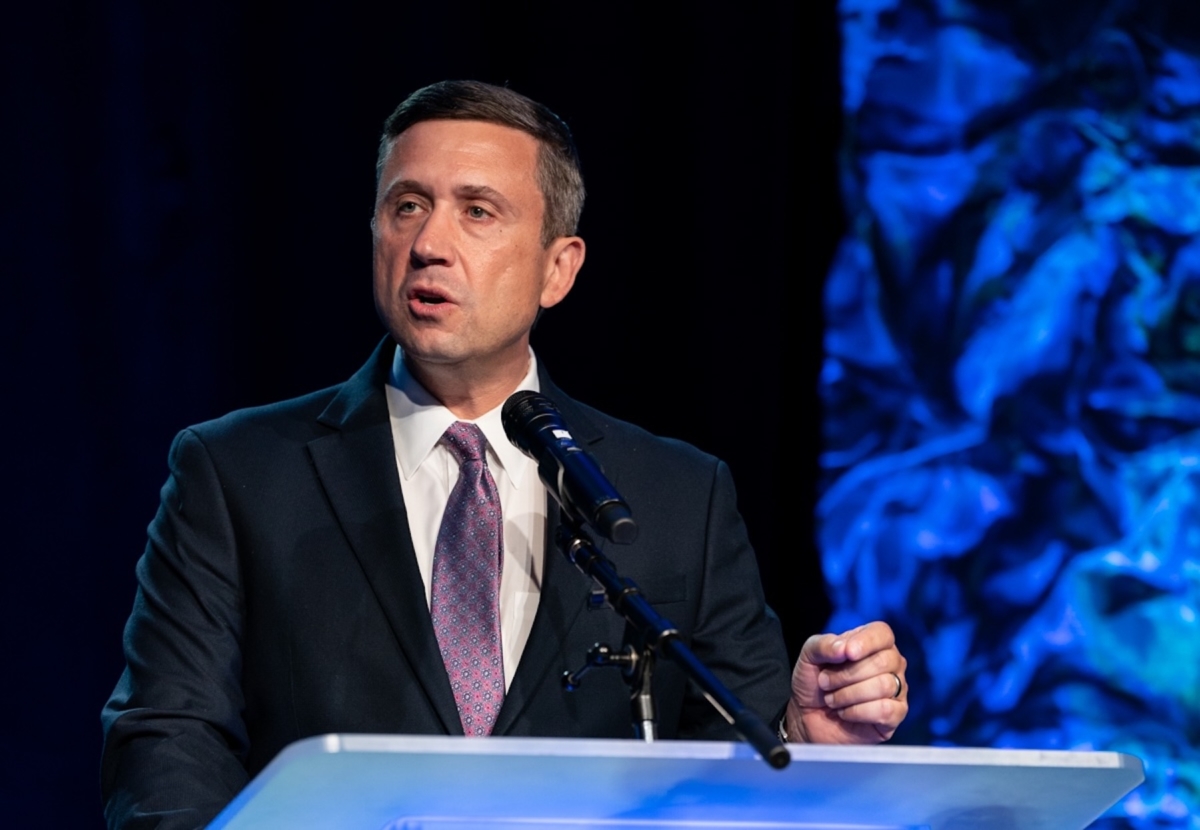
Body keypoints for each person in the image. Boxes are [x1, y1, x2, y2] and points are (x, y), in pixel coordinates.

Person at [101, 80, 908, 829]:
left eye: (478, 211)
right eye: (406, 205)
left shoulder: (675, 495)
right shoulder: (237, 471)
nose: (429, 244)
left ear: (559, 269)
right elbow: (167, 740)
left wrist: (805, 741)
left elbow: (734, 774)